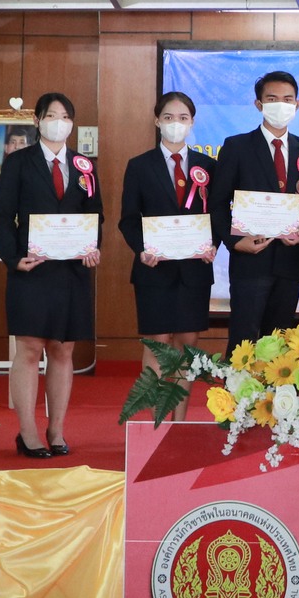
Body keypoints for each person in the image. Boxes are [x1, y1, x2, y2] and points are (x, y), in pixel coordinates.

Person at [0, 92, 100, 459]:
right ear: (37, 120)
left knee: (63, 349)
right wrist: (13, 258)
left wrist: (93, 247)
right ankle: (27, 432)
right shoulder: (19, 162)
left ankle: (56, 429)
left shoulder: (84, 165)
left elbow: (95, 214)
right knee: (29, 348)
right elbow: (2, 216)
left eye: (65, 116)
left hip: (71, 271)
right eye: (51, 115)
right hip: (31, 269)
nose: (59, 122)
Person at [117, 90, 219, 417]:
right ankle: (154, 424)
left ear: (192, 122)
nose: (176, 123)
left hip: (194, 271)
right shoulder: (139, 166)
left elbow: (218, 215)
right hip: (153, 270)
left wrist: (213, 244)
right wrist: (142, 249)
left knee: (187, 347)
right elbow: (128, 219)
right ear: (157, 121)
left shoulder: (208, 166)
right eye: (169, 117)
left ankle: (179, 423)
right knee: (157, 344)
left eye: (183, 118)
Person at [212, 71, 299, 349]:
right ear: (258, 104)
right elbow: (217, 203)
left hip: (290, 261)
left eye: (287, 99)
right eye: (272, 99)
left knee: (280, 345)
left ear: (297, 104)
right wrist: (235, 242)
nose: (281, 105)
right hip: (250, 262)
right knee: (243, 342)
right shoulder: (236, 146)